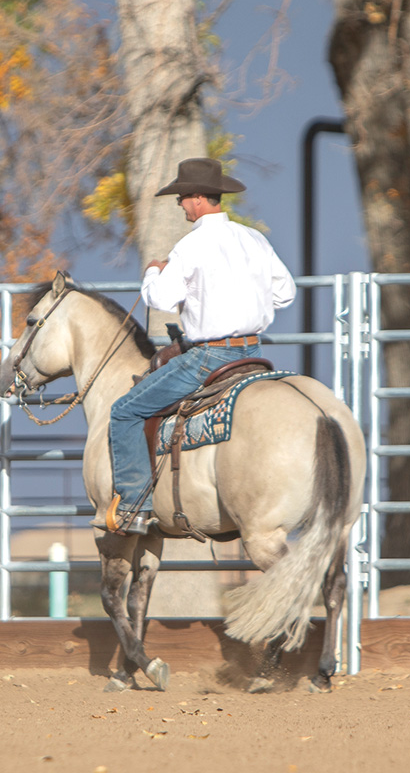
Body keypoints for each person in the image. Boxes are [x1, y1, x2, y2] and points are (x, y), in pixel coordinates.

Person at [95, 158, 296, 536]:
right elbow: (285, 294)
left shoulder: (191, 246)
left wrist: (154, 270)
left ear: (200, 198)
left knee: (124, 411)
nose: (181, 205)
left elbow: (160, 298)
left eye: (183, 198)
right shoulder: (254, 239)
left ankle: (135, 509)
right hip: (253, 353)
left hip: (210, 357)